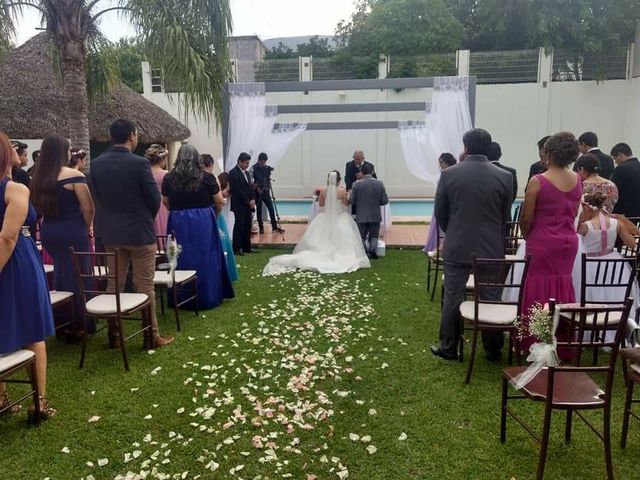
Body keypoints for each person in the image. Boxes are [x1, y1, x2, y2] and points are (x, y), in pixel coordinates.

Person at [89, 118, 174, 349]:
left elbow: (96, 196)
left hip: (112, 234)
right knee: (145, 285)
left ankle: (114, 337)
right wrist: (145, 217)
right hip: (139, 232)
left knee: (113, 284)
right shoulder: (139, 164)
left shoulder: (96, 164)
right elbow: (154, 199)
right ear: (132, 136)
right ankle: (151, 337)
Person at [432, 129, 513, 362]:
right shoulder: (504, 176)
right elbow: (504, 216)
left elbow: (441, 213)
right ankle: (492, 348)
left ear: (465, 147)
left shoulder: (449, 175)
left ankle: (448, 346)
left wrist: (455, 231)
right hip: (491, 247)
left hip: (457, 245)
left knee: (453, 296)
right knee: (490, 297)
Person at [0, 131, 56, 422]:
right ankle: (39, 404)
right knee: (33, 331)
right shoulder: (15, 190)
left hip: (16, 255)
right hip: (17, 261)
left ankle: (3, 399)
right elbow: (8, 238)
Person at [520, 132, 582, 355]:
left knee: (537, 289)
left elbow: (526, 219)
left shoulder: (538, 181)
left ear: (548, 153)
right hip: (569, 242)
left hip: (543, 242)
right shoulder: (577, 180)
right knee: (562, 288)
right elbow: (573, 212)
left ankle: (534, 341)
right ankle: (562, 342)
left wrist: (532, 237)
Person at [31, 134, 95, 337]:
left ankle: (61, 320)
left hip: (49, 230)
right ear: (62, 152)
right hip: (72, 230)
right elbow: (88, 208)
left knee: (61, 272)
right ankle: (81, 323)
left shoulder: (38, 177)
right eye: (68, 150)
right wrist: (85, 227)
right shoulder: (73, 175)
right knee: (79, 274)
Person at [162, 145, 233, 309]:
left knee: (178, 257)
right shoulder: (206, 178)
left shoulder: (169, 178)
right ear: (197, 159)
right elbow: (219, 202)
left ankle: (180, 297)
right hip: (203, 221)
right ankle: (207, 296)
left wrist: (177, 213)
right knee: (206, 256)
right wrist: (212, 217)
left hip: (178, 221)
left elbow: (165, 202)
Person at [263, 171, 370, 275]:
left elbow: (322, 204)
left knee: (322, 238)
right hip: (340, 217)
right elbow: (346, 204)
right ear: (339, 180)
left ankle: (322, 253)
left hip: (325, 217)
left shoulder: (323, 191)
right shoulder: (342, 191)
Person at [573, 190, 640, 340]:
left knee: (590, 294)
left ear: (588, 208)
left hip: (590, 266)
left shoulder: (585, 227)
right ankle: (619, 327)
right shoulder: (617, 224)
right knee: (618, 295)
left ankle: (591, 330)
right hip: (614, 264)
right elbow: (631, 244)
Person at [200, 155, 238, 282]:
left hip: (203, 213)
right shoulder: (212, 178)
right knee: (221, 242)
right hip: (213, 212)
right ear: (210, 164)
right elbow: (219, 199)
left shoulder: (195, 178)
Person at [350, 163, 389, 259]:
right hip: (375, 214)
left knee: (361, 235)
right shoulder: (380, 183)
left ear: (361, 172)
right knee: (374, 235)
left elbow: (353, 201)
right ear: (372, 172)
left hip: (361, 214)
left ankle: (364, 251)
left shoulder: (356, 185)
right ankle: (372, 249)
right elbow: (385, 200)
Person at [424, 153, 457, 253]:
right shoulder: (445, 173)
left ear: (447, 162)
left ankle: (442, 247)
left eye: (442, 162)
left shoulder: (449, 174)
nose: (440, 165)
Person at [228, 152, 257, 256]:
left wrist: (253, 199)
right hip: (239, 204)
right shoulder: (233, 173)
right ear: (240, 161)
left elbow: (251, 187)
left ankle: (247, 246)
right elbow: (237, 190)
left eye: (248, 163)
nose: (247, 165)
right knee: (239, 225)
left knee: (247, 225)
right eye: (246, 163)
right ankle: (237, 247)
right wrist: (247, 201)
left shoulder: (247, 173)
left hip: (248, 204)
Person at [252, 153, 284, 235]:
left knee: (271, 208)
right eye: (262, 162)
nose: (263, 164)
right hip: (258, 193)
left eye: (265, 162)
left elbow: (267, 179)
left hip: (266, 192)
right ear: (258, 160)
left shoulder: (266, 168)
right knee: (259, 210)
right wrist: (257, 187)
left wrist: (268, 185)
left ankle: (274, 226)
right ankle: (261, 228)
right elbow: (252, 181)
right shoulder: (253, 168)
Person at [610, 143, 640, 219]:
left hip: (626, 215)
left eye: (614, 158)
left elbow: (612, 191)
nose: (615, 162)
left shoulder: (621, 169)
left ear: (620, 155)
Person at [145, 144, 169, 237]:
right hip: (163, 204)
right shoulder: (166, 174)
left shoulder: (145, 172)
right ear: (161, 159)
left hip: (148, 204)